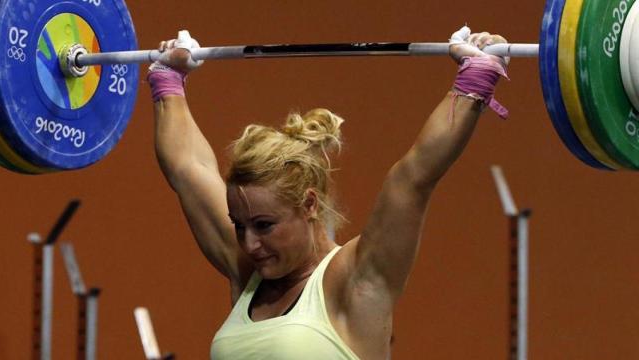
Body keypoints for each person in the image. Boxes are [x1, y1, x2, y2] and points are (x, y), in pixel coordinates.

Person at [148, 27, 509, 360]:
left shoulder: (355, 280)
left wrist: (475, 80)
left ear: (308, 203)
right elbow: (187, 169)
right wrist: (168, 82)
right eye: (239, 226)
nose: (249, 243)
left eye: (263, 225)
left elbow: (413, 179)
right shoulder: (249, 273)